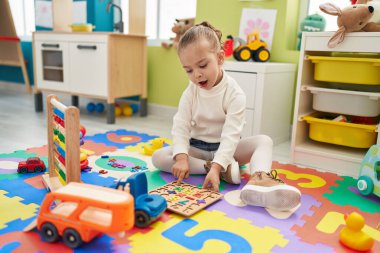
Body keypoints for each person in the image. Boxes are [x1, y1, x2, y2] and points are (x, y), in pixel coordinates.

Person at [152, 21, 301, 211]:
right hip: (197, 148)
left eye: (202, 65)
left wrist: (218, 166)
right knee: (158, 156)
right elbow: (181, 125)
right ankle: (217, 169)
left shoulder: (234, 93)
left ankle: (259, 179)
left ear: (220, 58)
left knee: (264, 141)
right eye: (188, 70)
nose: (196, 75)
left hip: (230, 149)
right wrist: (182, 158)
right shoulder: (190, 92)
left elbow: (231, 136)